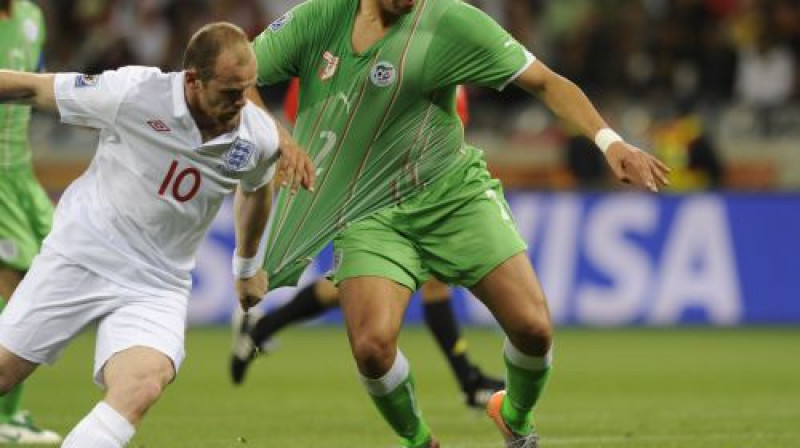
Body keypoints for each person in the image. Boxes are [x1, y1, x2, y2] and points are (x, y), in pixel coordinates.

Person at [250, 1, 669, 447]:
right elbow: (241, 75)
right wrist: (278, 139)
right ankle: (418, 441)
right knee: (372, 347)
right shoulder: (319, 18)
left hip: (452, 197)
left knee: (534, 329)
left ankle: (515, 418)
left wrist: (611, 143)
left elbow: (546, 82)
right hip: (365, 211)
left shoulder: (450, 21)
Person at [0, 22, 313, 448]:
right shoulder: (133, 93)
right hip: (83, 255)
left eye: (247, 89)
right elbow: (35, 89)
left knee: (143, 385)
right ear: (192, 81)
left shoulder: (254, 134)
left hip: (156, 282)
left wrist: (245, 266)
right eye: (228, 91)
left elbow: (256, 191)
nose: (241, 103)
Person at [231, 79, 503, 409]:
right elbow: (305, 116)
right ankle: (468, 381)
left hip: (410, 189)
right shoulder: (361, 58)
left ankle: (262, 327)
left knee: (349, 287)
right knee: (423, 281)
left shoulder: (443, 69)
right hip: (366, 186)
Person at [0, 0, 62, 443]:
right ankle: (5, 415)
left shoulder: (32, 18)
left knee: (47, 278)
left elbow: (37, 89)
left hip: (22, 173)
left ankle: (11, 413)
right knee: (14, 286)